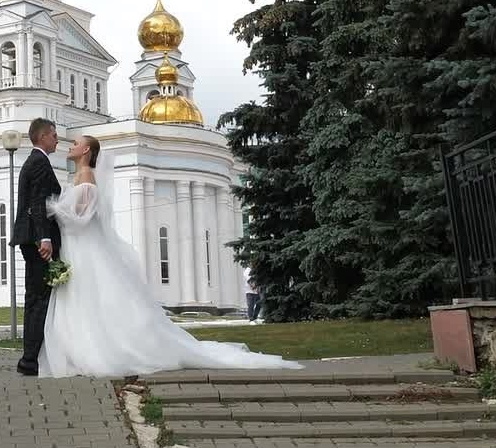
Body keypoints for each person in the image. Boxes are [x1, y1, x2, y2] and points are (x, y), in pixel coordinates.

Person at [38, 134, 300, 378]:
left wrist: (54, 212)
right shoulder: (81, 176)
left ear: (86, 150)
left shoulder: (86, 177)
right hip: (79, 248)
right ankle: (80, 350)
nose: (71, 146)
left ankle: (95, 352)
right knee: (85, 298)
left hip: (84, 248)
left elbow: (81, 218)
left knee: (88, 297)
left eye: (76, 143)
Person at [11, 117, 61, 376]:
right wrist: (45, 237)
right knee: (39, 300)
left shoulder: (32, 161)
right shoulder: (40, 162)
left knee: (33, 299)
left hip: (27, 237)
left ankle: (30, 357)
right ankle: (30, 359)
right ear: (42, 137)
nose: (57, 140)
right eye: (54, 135)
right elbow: (38, 203)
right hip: (36, 239)